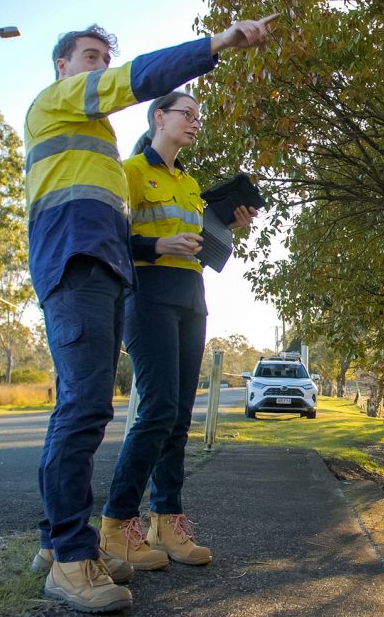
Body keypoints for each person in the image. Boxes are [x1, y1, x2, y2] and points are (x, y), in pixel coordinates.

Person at [25, 15, 275, 613]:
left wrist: (216, 227)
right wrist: (216, 44)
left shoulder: (107, 155)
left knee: (90, 406)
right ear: (63, 67)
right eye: (90, 57)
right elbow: (134, 81)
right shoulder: (57, 104)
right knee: (88, 407)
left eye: (102, 57)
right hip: (80, 264)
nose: (100, 67)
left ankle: (56, 543)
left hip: (110, 271)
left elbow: (148, 228)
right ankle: (72, 553)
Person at [96, 91, 256, 574]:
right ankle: (116, 522)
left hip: (192, 296)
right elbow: (109, 235)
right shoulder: (129, 172)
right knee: (159, 407)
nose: (194, 122)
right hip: (148, 294)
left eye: (198, 117)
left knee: (180, 415)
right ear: (158, 117)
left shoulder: (190, 183)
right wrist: (157, 242)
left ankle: (165, 521)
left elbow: (203, 247)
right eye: (187, 114)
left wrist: (231, 229)